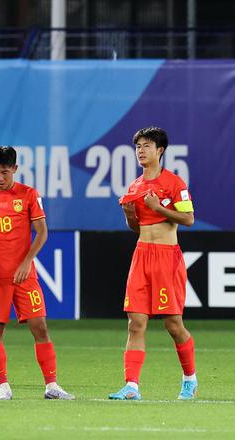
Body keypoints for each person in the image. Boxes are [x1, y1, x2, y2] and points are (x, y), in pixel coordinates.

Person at [0, 146, 74, 401]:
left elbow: (42, 232)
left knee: (40, 327)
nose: (0, 177)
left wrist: (27, 262)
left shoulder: (28, 194)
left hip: (25, 276)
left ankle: (52, 386)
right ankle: (3, 386)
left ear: (15, 169)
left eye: (4, 172)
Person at [109, 127, 197, 401]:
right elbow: (137, 227)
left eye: (147, 146)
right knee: (135, 323)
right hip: (141, 255)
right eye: (138, 147)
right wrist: (129, 214)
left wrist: (158, 207)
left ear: (160, 150)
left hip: (167, 257)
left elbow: (188, 219)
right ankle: (131, 386)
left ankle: (189, 379)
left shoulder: (174, 183)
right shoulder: (135, 186)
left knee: (173, 324)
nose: (141, 151)